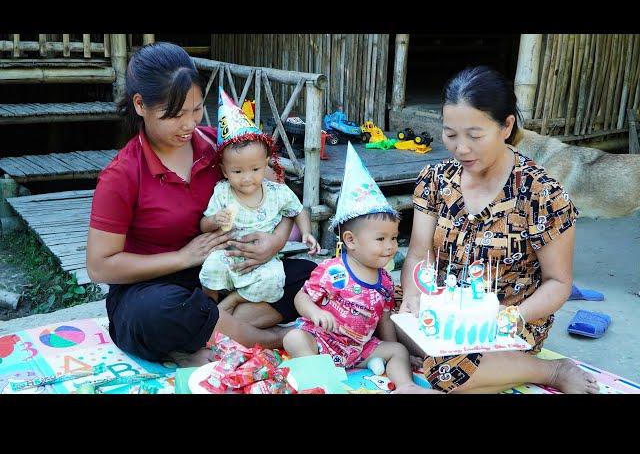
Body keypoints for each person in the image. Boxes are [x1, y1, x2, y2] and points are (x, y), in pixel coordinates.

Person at [86, 42, 316, 367]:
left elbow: (282, 198)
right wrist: (182, 257)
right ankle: (271, 338)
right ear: (140, 105)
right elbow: (100, 266)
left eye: (195, 110)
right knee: (155, 314)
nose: (189, 124)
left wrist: (274, 243)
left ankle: (212, 331)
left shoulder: (218, 148)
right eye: (175, 115)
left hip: (228, 273)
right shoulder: (122, 175)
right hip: (156, 288)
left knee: (310, 276)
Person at [399, 66, 600, 394]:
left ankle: (548, 370)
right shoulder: (436, 179)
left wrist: (512, 316)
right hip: (446, 313)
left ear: (506, 126)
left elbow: (559, 282)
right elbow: (419, 254)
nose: (460, 148)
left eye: (474, 136)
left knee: (448, 369)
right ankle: (466, 368)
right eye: (451, 135)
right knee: (365, 305)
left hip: (507, 323)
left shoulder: (541, 193)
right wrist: (412, 297)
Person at [283, 144, 438, 394]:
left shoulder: (385, 281)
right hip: (323, 341)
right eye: (381, 239)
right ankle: (322, 383)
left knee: (398, 349)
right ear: (351, 241)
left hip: (359, 348)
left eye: (393, 238)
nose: (390, 246)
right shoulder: (332, 271)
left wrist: (393, 349)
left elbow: (384, 320)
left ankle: (407, 386)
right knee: (293, 338)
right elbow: (302, 297)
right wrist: (314, 312)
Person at [199, 89, 319, 318]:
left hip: (264, 260)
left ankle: (234, 301)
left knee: (273, 279)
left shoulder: (276, 192)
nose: (247, 178)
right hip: (229, 254)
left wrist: (307, 233)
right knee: (211, 267)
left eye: (255, 169)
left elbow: (298, 210)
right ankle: (208, 306)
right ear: (224, 170)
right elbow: (204, 225)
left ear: (266, 165)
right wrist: (215, 220)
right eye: (237, 171)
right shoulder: (223, 192)